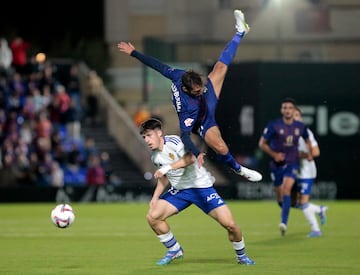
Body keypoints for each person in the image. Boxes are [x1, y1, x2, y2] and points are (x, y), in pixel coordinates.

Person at [118, 10, 262, 182]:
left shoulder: (180, 75)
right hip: (203, 118)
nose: (200, 90)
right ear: (186, 90)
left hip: (208, 99)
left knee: (220, 68)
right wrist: (196, 152)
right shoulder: (188, 112)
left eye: (200, 87)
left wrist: (134, 53)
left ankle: (240, 31)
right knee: (221, 147)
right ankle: (239, 170)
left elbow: (157, 65)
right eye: (196, 91)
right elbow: (185, 136)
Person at [139, 118, 255, 266]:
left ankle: (242, 256)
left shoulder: (173, 142)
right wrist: (155, 197)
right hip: (180, 191)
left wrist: (168, 167)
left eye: (149, 135)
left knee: (230, 225)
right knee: (153, 217)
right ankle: (174, 250)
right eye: (144, 137)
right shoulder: (155, 156)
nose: (147, 140)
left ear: (159, 133)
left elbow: (190, 158)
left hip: (201, 188)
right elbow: (164, 178)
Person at [258, 98, 313, 236]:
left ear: (294, 110)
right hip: (277, 164)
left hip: (292, 163)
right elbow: (262, 143)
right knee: (281, 200)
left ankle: (284, 223)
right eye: (285, 107)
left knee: (287, 189)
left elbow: (307, 139)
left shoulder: (300, 126)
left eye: (290, 108)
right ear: (282, 110)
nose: (288, 110)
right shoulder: (274, 125)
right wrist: (274, 154)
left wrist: (310, 153)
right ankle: (314, 209)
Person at [293, 107, 328, 237]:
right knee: (294, 202)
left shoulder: (305, 132)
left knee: (302, 202)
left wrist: (299, 154)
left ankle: (316, 230)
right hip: (296, 171)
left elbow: (316, 152)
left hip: (306, 171)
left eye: (297, 115)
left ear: (300, 118)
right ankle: (319, 209)